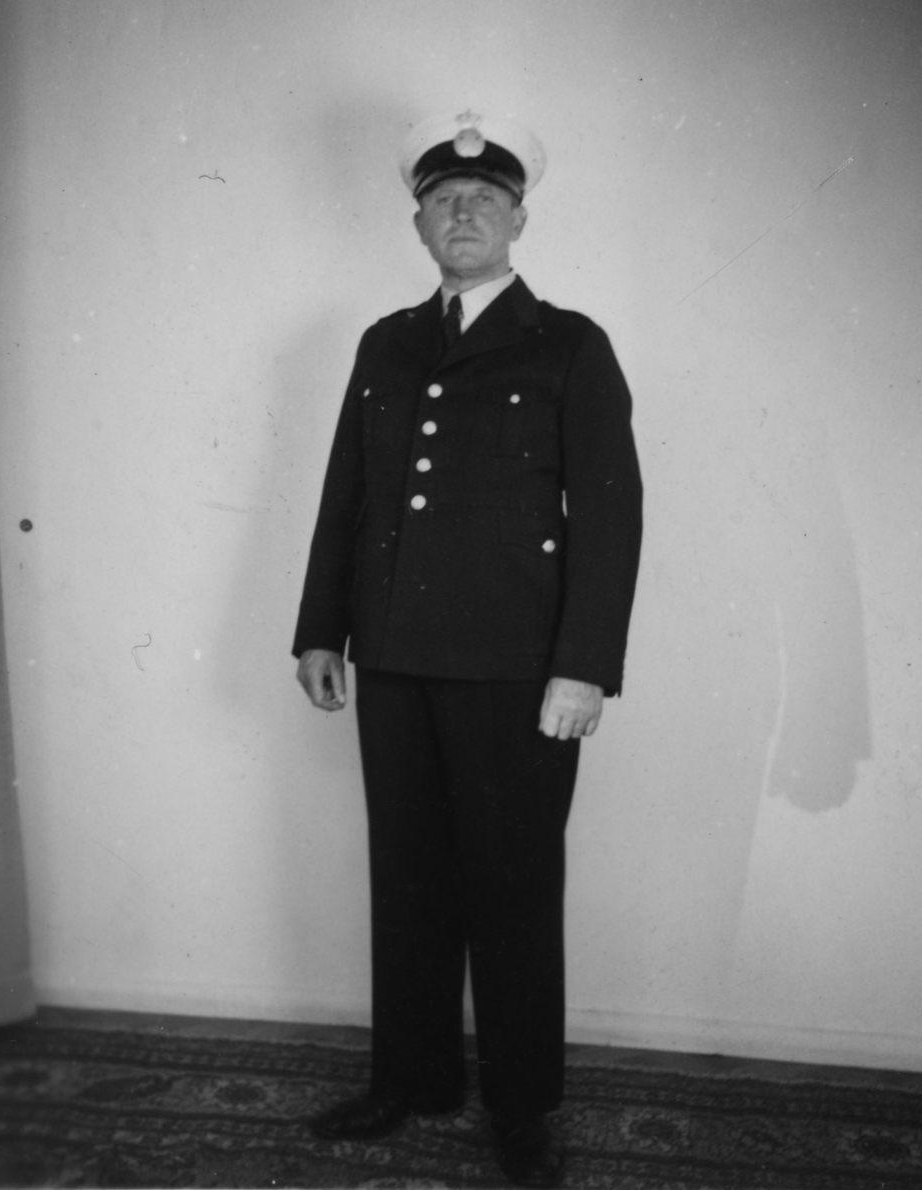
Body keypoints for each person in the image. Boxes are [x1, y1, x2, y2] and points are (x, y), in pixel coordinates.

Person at [292, 110, 642, 1188]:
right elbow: (347, 493)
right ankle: (412, 1078)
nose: (463, 213)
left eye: (485, 199)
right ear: (418, 223)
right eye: (444, 199)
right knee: (407, 880)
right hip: (395, 658)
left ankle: (522, 1105)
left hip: (515, 670)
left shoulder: (570, 343)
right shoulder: (386, 343)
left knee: (513, 890)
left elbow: (612, 515)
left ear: (519, 220)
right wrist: (320, 628)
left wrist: (584, 665)